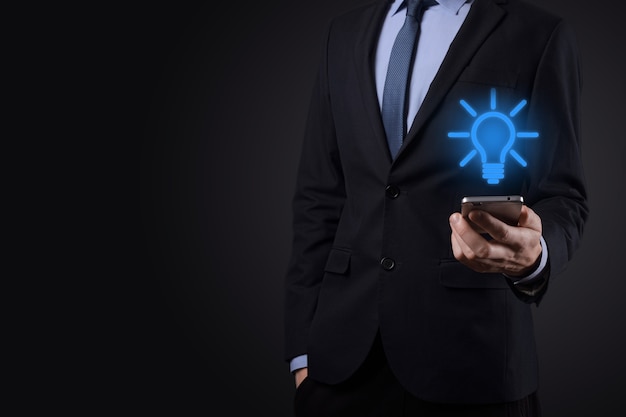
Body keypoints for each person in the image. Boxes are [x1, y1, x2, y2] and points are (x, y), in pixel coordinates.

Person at [284, 0, 588, 415]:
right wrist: (302, 354)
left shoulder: (539, 34)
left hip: (473, 365)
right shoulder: (343, 33)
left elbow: (562, 194)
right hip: (340, 367)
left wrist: (535, 255)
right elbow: (320, 197)